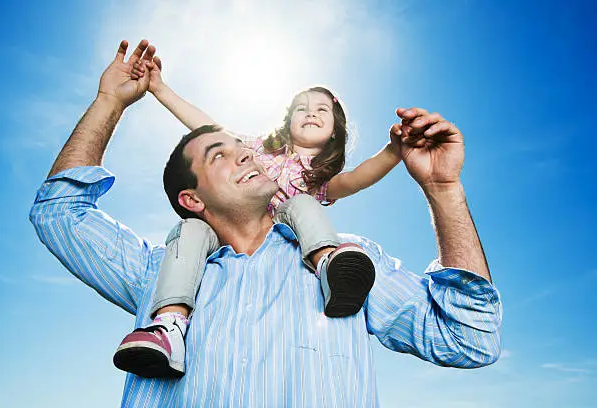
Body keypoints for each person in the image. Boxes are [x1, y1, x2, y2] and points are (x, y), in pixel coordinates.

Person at [30, 40, 502, 407]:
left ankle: (324, 260)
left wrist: (441, 188)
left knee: (314, 225)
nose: (245, 154)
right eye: (221, 154)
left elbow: (470, 338)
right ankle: (170, 329)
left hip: (324, 255)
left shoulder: (357, 264)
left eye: (244, 149)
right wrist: (115, 99)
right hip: (180, 278)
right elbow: (59, 213)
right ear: (191, 198)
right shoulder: (163, 272)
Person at [112, 54, 404, 378]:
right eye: (302, 108)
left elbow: (356, 179)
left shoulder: (316, 179)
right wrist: (160, 89)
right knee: (190, 229)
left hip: (277, 240)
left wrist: (394, 152)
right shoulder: (255, 150)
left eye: (322, 109)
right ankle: (169, 326)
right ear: (287, 121)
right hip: (224, 236)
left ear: (335, 131)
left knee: (301, 205)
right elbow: (204, 126)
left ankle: (329, 267)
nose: (310, 113)